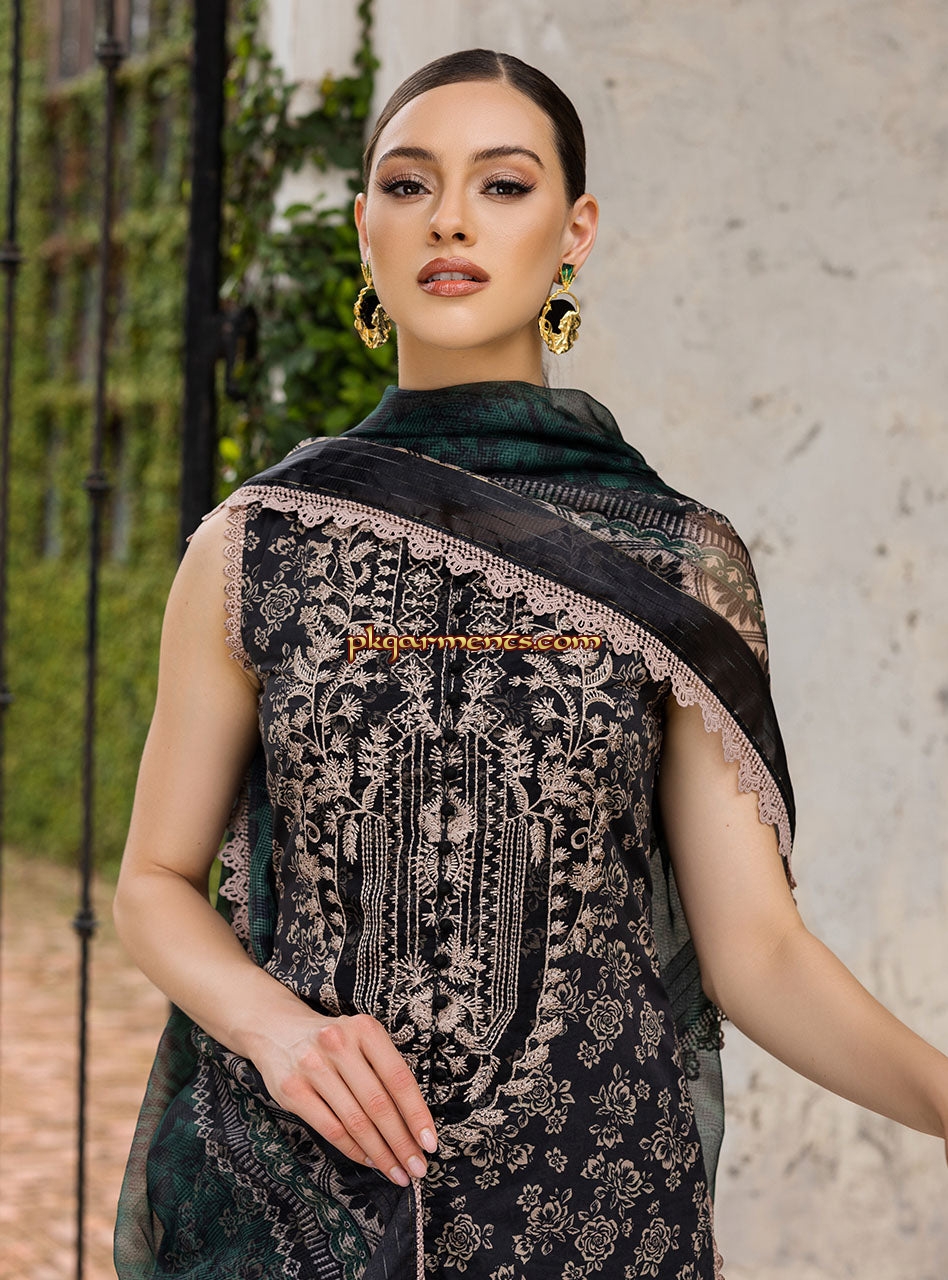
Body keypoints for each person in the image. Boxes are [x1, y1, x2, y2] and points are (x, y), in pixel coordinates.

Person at [112, 48, 948, 1280]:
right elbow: (152, 880)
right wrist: (279, 1031)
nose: (449, 218)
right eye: (409, 184)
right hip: (307, 1207)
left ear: (576, 231)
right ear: (365, 228)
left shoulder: (674, 559)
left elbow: (759, 951)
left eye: (502, 185)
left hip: (594, 1208)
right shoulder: (256, 544)